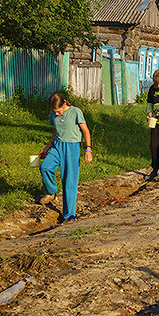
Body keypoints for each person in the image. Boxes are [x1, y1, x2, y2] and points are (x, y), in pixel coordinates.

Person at [36, 92, 93, 222]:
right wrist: (46, 148)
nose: (56, 114)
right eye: (54, 112)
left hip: (72, 147)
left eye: (58, 111)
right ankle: (51, 192)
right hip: (57, 145)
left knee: (69, 181)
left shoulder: (75, 112)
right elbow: (56, 131)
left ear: (64, 104)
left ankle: (69, 215)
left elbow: (85, 130)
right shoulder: (53, 114)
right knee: (45, 167)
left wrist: (88, 149)